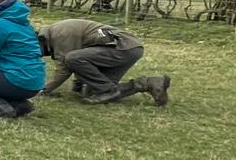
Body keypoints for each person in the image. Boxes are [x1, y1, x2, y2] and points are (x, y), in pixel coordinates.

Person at [37, 19, 170, 105]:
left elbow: (65, 66)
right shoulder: (54, 32)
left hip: (122, 47)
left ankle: (108, 90)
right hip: (125, 48)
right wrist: (79, 84)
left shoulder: (60, 34)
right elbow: (85, 55)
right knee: (92, 93)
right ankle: (149, 83)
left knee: (72, 58)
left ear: (40, 40)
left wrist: (44, 90)